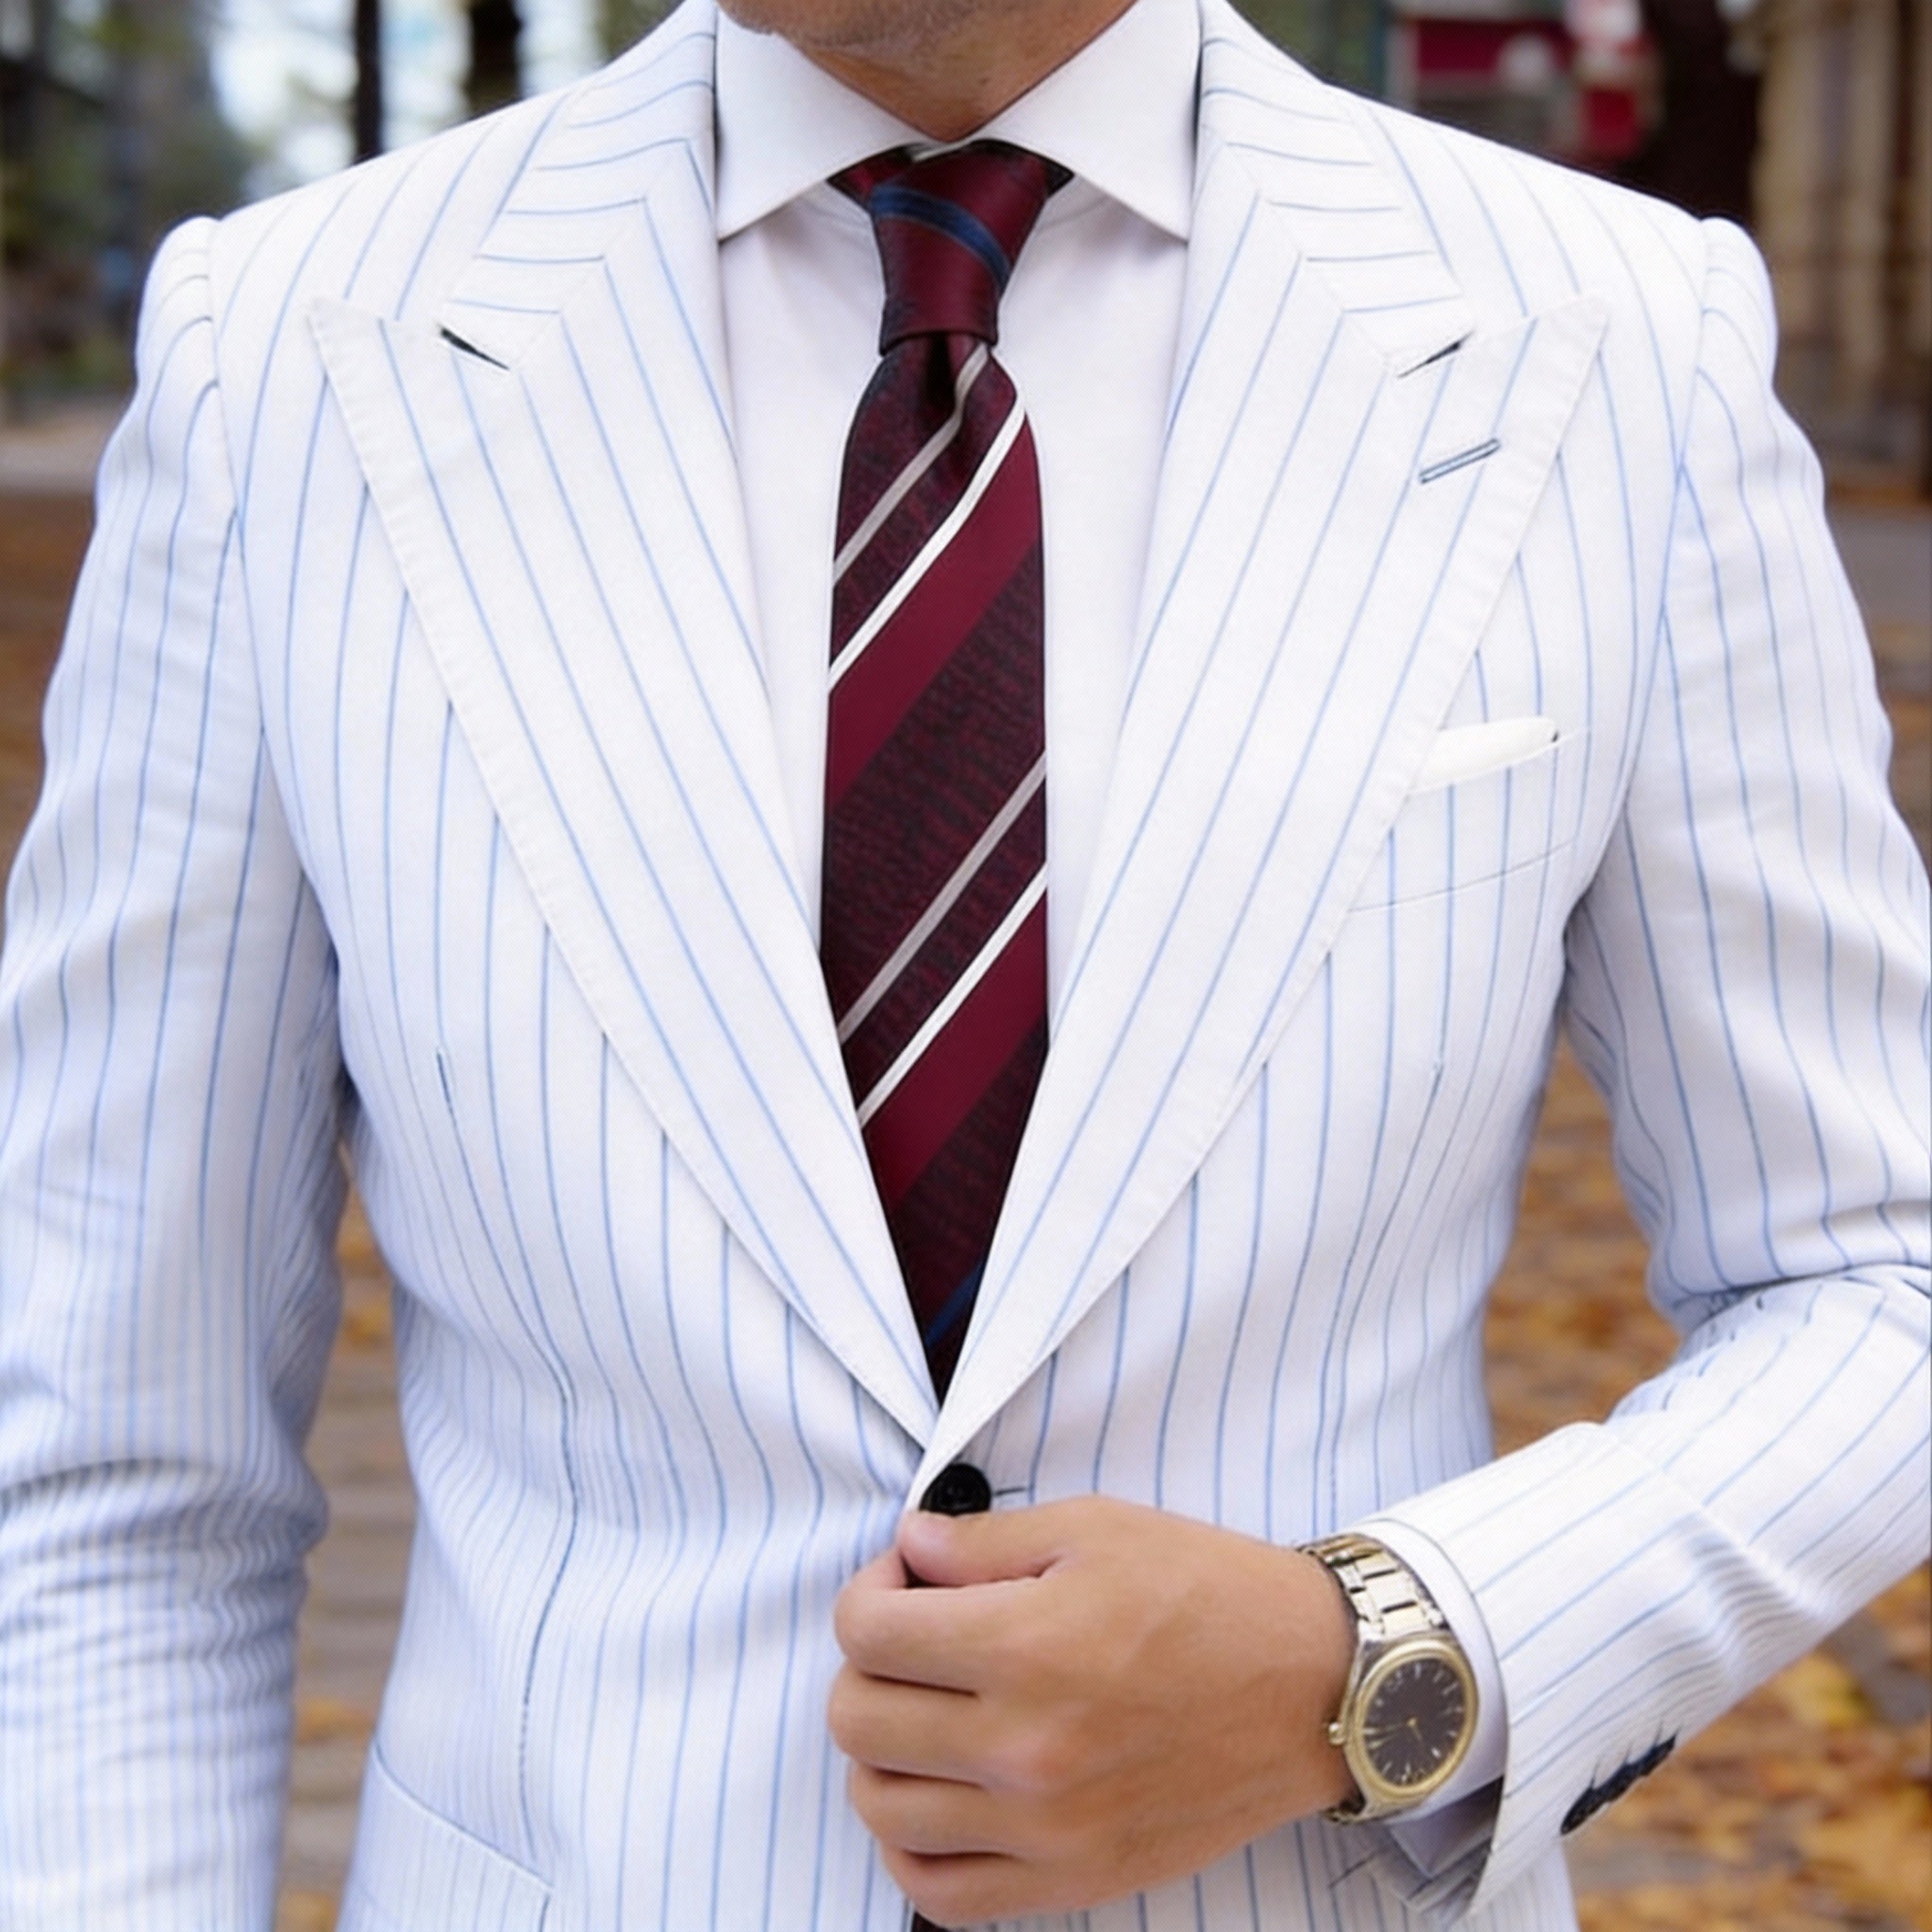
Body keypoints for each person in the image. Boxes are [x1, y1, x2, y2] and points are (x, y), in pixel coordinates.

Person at [0, 0, 1924, 1924]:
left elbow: (1874, 1270)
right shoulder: (287, 359)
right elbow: (107, 1464)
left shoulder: (1606, 341)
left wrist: (1377, 1660)